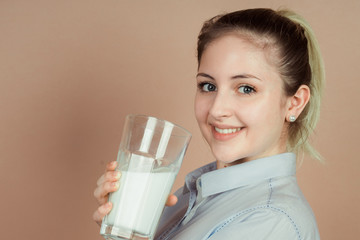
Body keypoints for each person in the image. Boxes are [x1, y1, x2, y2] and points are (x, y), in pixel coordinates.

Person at [93, 8, 325, 239]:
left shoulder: (271, 220)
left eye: (246, 89)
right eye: (208, 86)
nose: (216, 109)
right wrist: (123, 229)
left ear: (295, 103)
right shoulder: (191, 197)